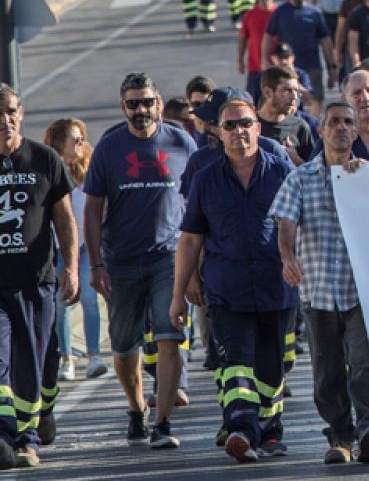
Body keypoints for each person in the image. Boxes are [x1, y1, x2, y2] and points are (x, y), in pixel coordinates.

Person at [171, 96, 297, 464]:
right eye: (230, 125)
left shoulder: (281, 172)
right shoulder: (206, 178)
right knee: (236, 361)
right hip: (226, 288)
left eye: (245, 123)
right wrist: (179, 294)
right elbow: (191, 238)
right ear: (218, 132)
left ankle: (271, 432)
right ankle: (241, 428)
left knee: (272, 366)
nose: (239, 131)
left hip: (276, 286)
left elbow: (304, 225)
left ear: (258, 127)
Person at [269, 100, 369, 464]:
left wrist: (366, 181)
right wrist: (288, 258)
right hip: (318, 289)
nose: (340, 128)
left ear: (356, 131)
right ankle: (340, 435)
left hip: (360, 290)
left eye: (347, 123)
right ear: (321, 130)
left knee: (363, 363)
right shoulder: (299, 178)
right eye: (333, 122)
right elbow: (286, 224)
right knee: (327, 372)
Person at [81, 73, 196, 449]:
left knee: (170, 337)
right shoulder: (109, 148)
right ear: (123, 107)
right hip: (122, 263)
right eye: (133, 103)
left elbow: (197, 202)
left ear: (158, 103)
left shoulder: (181, 141)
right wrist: (95, 264)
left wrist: (197, 263)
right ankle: (136, 409)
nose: (141, 110)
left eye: (147, 102)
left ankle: (162, 423)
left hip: (169, 259)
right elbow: (93, 209)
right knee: (125, 346)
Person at [0, 83, 80, 470]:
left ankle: (27, 439)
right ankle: (3, 434)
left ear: (21, 114)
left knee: (31, 362)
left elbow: (64, 219)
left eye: (11, 111)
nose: (5, 119)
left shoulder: (44, 159)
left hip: (35, 281)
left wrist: (72, 267)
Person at [42, 119, 105, 386]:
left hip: (86, 245)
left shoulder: (88, 170)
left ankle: (93, 356)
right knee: (62, 302)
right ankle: (66, 358)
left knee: (90, 297)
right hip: (57, 247)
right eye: (75, 139)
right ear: (59, 143)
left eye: (82, 138)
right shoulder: (48, 170)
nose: (81, 143)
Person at [263, 0, 338, 106]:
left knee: (315, 101)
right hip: (287, 68)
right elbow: (268, 37)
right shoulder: (280, 12)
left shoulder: (315, 13)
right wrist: (264, 61)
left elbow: (325, 41)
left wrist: (331, 67)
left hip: (312, 66)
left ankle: (314, 126)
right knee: (288, 102)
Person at [256, 66, 315, 164]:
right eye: (287, 90)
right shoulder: (247, 125)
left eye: (296, 91)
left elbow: (313, 172)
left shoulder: (300, 126)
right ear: (268, 93)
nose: (294, 97)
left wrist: (296, 160)